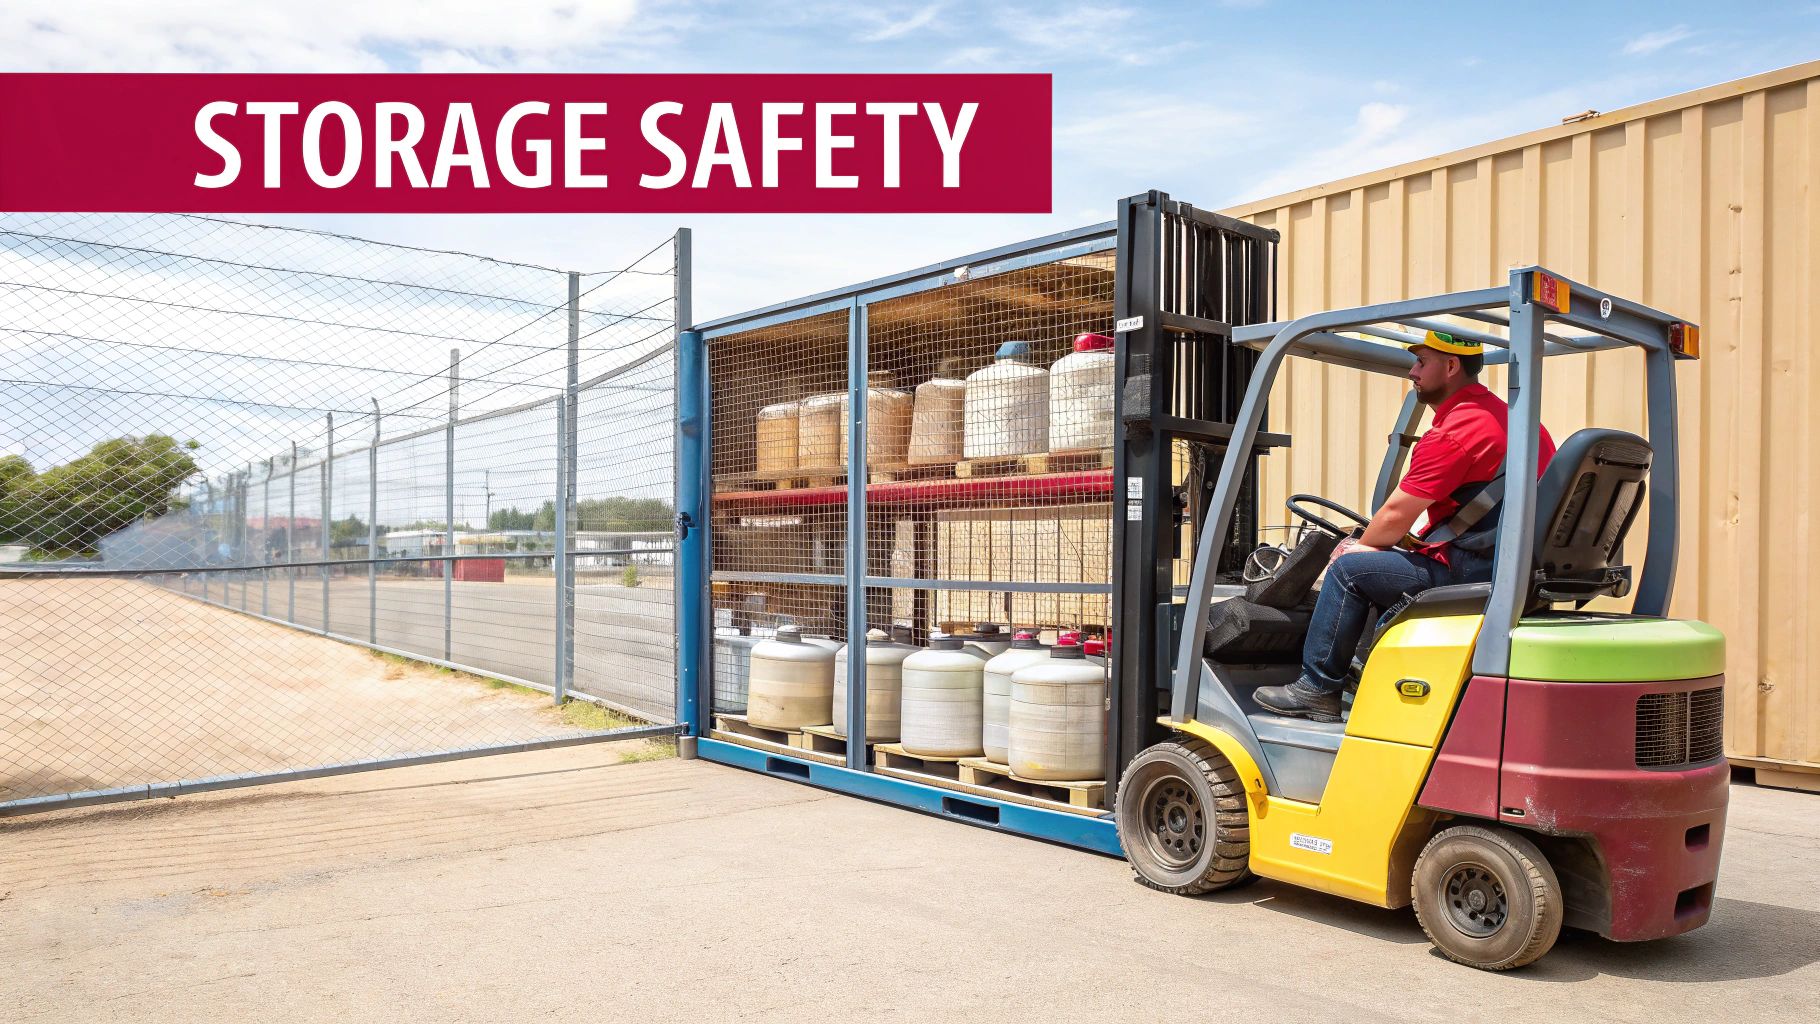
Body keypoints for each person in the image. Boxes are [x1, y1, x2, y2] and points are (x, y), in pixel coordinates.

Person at [1254, 330, 1557, 722]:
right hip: (1502, 560)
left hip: (1471, 568)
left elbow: (1397, 514)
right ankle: (1364, 675)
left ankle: (1316, 687)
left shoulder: (1455, 432)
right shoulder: (1512, 420)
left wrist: (1355, 546)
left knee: (1348, 570)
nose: (1412, 372)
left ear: (1450, 366)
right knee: (1379, 563)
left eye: (1421, 362)